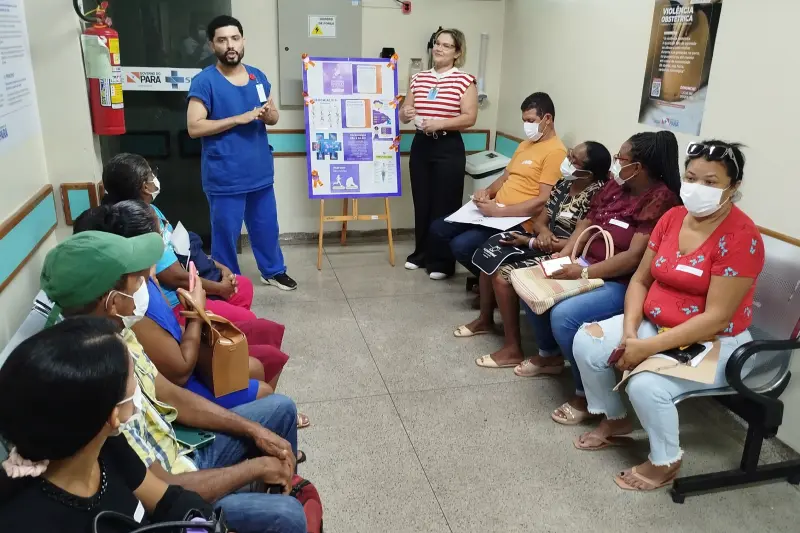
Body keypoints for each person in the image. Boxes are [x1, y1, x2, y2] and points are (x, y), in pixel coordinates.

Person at [39, 231, 307, 533]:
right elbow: (163, 490)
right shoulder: (90, 382)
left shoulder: (119, 332)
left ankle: (281, 485)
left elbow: (170, 394)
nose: (146, 285)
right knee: (288, 515)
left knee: (281, 409)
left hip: (181, 450)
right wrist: (253, 469)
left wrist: (254, 430)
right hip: (171, 499)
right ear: (113, 302)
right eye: (137, 280)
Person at [571, 141, 763, 492]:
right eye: (691, 177)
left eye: (710, 182)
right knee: (588, 340)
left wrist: (646, 349)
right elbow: (640, 280)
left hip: (715, 342)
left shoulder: (741, 237)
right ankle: (616, 419)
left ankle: (666, 460)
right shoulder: (672, 218)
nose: (697, 188)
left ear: (733, 187)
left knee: (646, 384)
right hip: (656, 325)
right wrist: (630, 333)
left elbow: (717, 318)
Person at [513, 131, 681, 425]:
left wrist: (583, 272)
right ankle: (549, 356)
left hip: (622, 281)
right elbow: (586, 223)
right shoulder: (616, 186)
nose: (616, 163)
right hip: (583, 261)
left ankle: (584, 395)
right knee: (532, 282)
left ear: (638, 167)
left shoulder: (660, 199)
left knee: (565, 315)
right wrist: (563, 256)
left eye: (621, 158)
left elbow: (634, 258)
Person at [73, 201, 297, 415]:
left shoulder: (145, 279)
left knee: (258, 363)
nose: (164, 242)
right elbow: (179, 372)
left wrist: (194, 312)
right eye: (159, 235)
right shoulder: (130, 302)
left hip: (186, 353)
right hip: (184, 380)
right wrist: (196, 313)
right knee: (263, 385)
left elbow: (170, 328)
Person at [0, 318, 219, 532]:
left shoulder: (104, 445)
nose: (138, 386)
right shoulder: (26, 521)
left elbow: (165, 499)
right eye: (133, 378)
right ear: (113, 415)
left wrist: (203, 521)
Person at [457, 142, 609, 364]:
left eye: (573, 160)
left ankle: (512, 349)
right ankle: (485, 320)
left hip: (567, 253)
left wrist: (536, 242)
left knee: (502, 276)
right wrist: (543, 232)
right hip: (540, 240)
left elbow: (580, 241)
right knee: (490, 251)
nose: (567, 161)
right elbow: (540, 220)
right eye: (569, 155)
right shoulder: (564, 184)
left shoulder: (597, 196)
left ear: (588, 173)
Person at [187, 15, 297, 292]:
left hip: (259, 171)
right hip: (225, 175)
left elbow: (272, 116)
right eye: (222, 40)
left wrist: (270, 116)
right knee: (226, 233)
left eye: (235, 38)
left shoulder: (257, 77)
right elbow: (194, 127)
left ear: (243, 40)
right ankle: (227, 280)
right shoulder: (204, 81)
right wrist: (238, 119)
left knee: (266, 226)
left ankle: (273, 271)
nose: (230, 45)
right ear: (212, 45)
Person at [424, 92, 568, 280]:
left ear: (547, 118)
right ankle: (476, 277)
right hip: (495, 211)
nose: (526, 126)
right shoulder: (525, 145)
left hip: (518, 221)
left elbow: (543, 200)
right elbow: (504, 177)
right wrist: (486, 192)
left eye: (531, 121)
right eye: (524, 121)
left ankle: (490, 285)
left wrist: (499, 212)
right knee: (439, 227)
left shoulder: (556, 152)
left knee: (462, 246)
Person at [101, 152, 258, 325]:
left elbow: (179, 249)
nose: (155, 178)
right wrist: (220, 289)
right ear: (145, 186)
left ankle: (222, 332)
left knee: (243, 286)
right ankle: (217, 331)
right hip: (178, 300)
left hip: (189, 280)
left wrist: (219, 267)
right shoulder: (138, 223)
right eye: (151, 173)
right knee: (248, 319)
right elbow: (174, 277)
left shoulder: (151, 210)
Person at [399, 28, 478, 272]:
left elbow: (470, 117)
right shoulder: (418, 78)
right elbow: (404, 114)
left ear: (457, 52)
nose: (439, 48)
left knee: (445, 203)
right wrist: (405, 112)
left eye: (446, 45)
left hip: (448, 145)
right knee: (422, 201)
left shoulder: (465, 80)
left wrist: (440, 123)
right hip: (421, 144)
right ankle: (421, 254)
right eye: (437, 43)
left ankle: (442, 262)